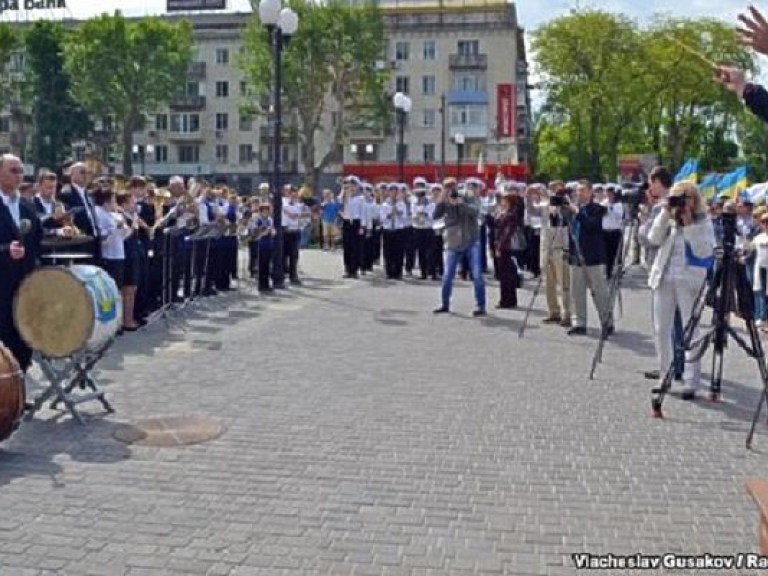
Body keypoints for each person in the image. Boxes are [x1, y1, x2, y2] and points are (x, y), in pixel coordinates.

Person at [646, 181, 715, 400]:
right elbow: (652, 239)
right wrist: (665, 213)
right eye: (678, 198)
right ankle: (664, 375)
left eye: (687, 199)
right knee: (661, 329)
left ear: (695, 201)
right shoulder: (667, 218)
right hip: (664, 278)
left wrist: (689, 226)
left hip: (689, 280)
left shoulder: (703, 221)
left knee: (689, 330)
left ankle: (690, 380)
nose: (683, 203)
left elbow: (705, 252)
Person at [0, 154, 42, 373]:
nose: (18, 176)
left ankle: (20, 393)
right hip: (2, 283)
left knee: (24, 337)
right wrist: (6, 250)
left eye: (21, 171)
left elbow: (37, 240)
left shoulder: (27, 205)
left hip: (25, 281)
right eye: (13, 171)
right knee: (4, 337)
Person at [565, 180, 613, 336]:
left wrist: (577, 212)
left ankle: (607, 321)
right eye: (578, 191)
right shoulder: (572, 210)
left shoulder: (597, 209)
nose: (579, 194)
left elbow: (592, 226)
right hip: (576, 256)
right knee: (576, 292)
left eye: (583, 190)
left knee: (599, 291)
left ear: (591, 192)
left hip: (594, 257)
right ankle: (579, 322)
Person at [432, 184, 486, 316]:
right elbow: (435, 216)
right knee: (447, 276)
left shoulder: (468, 199)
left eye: (454, 192)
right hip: (453, 243)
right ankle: (445, 304)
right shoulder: (445, 202)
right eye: (449, 192)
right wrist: (442, 199)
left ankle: (481, 305)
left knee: (477, 275)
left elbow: (475, 212)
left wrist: (461, 203)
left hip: (470, 241)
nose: (453, 196)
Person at [493, 191, 521, 309]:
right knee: (505, 273)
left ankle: (506, 300)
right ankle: (509, 299)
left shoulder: (511, 215)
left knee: (505, 275)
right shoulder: (503, 212)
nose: (502, 202)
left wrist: (500, 246)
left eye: (504, 200)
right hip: (501, 244)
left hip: (505, 246)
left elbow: (508, 233)